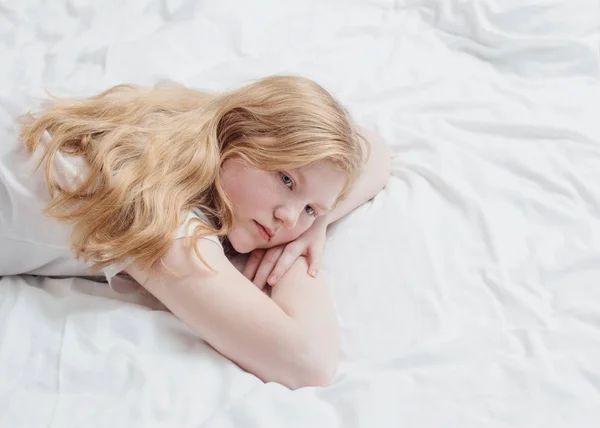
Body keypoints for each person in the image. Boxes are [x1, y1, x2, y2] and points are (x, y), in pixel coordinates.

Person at [0, 75, 391, 389]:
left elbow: (372, 146)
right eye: (286, 179)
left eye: (308, 208)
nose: (288, 219)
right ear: (238, 133)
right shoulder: (156, 212)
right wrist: (296, 256)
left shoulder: (192, 121)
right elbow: (307, 362)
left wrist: (317, 223)